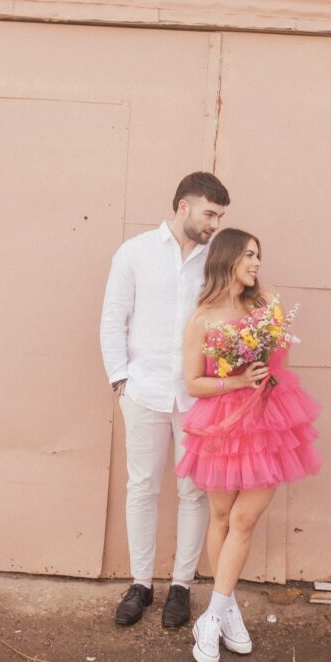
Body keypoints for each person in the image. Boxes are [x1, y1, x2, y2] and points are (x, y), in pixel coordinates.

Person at [176, 228, 321, 662]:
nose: (257, 263)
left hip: (268, 422)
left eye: (259, 255)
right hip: (222, 423)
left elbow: (281, 364)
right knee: (221, 516)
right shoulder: (202, 317)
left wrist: (265, 358)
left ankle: (212, 617)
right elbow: (194, 383)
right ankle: (228, 613)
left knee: (244, 516)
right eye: (249, 255)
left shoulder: (264, 307)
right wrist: (237, 378)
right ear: (228, 259)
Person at [100, 172, 231, 628]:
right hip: (145, 391)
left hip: (197, 397)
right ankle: (140, 584)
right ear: (183, 206)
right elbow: (113, 318)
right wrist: (121, 382)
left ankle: (181, 587)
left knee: (193, 492)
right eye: (209, 213)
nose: (214, 223)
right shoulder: (135, 253)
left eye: (219, 216)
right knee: (142, 487)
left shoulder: (218, 260)